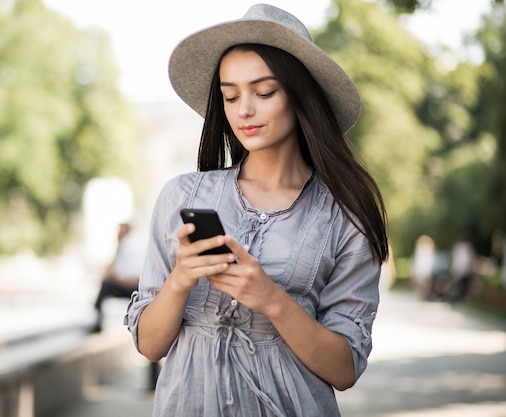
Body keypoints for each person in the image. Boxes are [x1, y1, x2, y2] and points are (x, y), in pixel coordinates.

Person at [125, 4, 388, 416]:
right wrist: (180, 279)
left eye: (264, 92)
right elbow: (150, 345)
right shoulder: (182, 197)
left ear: (300, 96)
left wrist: (270, 298)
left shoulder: (345, 214)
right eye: (230, 95)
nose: (243, 109)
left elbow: (344, 368)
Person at [93, 222, 144, 333]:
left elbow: (133, 276)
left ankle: (96, 322)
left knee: (106, 285)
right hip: (127, 283)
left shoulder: (130, 246)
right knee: (106, 284)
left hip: (134, 286)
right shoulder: (122, 246)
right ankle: (97, 318)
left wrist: (116, 276)